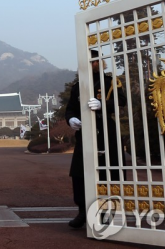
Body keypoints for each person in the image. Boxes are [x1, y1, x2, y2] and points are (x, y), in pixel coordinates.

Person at [65, 50, 126, 228]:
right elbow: (70, 108)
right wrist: (71, 119)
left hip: (106, 131)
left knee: (109, 171)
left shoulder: (111, 81)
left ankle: (108, 211)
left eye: (89, 62)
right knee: (79, 174)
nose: (85, 65)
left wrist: (103, 105)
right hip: (85, 133)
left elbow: (121, 101)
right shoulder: (77, 86)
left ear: (98, 62)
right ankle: (83, 211)